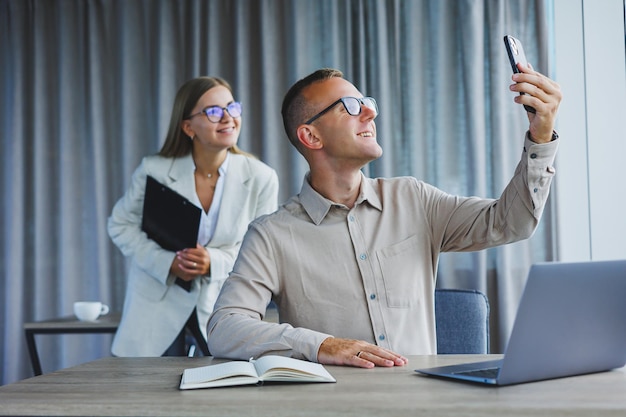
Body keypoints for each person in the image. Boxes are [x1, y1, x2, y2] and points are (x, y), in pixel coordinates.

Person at [207, 66, 561, 368]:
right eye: (350, 106)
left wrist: (540, 136)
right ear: (310, 135)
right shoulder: (271, 235)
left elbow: (511, 222)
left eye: (367, 103)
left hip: (423, 404)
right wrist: (322, 345)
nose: (370, 113)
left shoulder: (414, 199)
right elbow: (225, 328)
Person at [108, 76, 279, 357]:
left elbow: (264, 250)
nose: (227, 118)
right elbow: (119, 225)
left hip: (222, 308)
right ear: (188, 127)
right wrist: (167, 263)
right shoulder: (155, 170)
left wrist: (214, 260)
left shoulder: (261, 177)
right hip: (155, 310)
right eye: (213, 111)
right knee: (145, 395)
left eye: (232, 108)